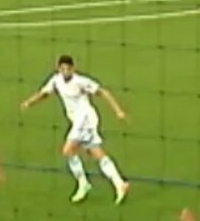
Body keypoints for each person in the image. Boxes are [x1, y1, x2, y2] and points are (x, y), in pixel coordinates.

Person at [19, 55, 131, 205]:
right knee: (95, 152)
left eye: (68, 68)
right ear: (58, 68)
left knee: (68, 150)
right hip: (78, 122)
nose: (65, 71)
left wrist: (118, 111)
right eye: (62, 68)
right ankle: (119, 183)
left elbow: (103, 92)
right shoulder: (56, 80)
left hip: (85, 119)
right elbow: (44, 93)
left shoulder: (81, 81)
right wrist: (29, 102)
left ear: (73, 68)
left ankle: (84, 183)